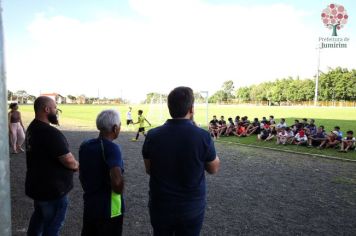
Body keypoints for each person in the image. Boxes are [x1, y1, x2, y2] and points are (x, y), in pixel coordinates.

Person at [142, 86, 220, 236]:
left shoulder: (152, 135)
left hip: (161, 205)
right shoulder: (202, 136)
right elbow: (213, 168)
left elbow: (149, 169)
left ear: (169, 107)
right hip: (191, 207)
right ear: (191, 109)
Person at [25, 96, 79, 236]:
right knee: (52, 227)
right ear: (47, 109)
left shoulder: (32, 127)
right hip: (52, 191)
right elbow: (68, 160)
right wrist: (76, 165)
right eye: (55, 108)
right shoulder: (50, 133)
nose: (56, 111)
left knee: (39, 220)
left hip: (38, 187)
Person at [79, 110, 125, 236]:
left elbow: (82, 174)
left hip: (90, 204)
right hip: (109, 209)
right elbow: (116, 182)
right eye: (120, 125)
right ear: (115, 128)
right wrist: (120, 188)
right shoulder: (112, 148)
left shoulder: (85, 145)